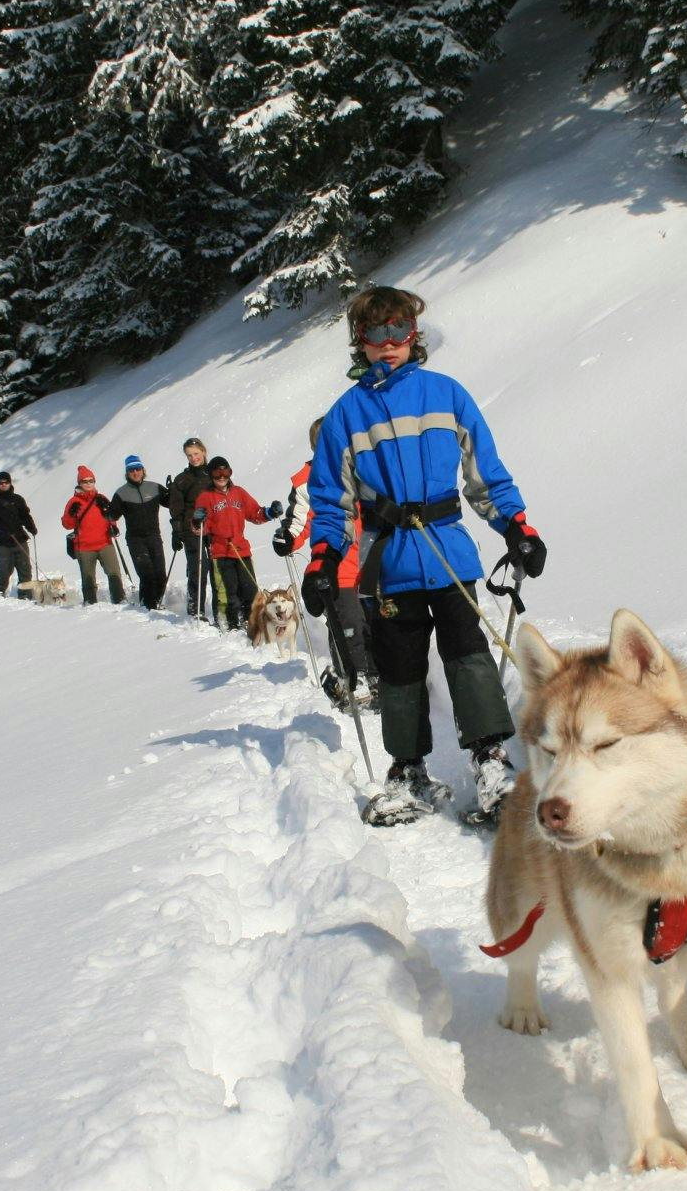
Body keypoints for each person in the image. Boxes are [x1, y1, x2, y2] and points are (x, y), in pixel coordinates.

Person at [306, 286, 547, 827]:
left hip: (448, 554)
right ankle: (408, 770)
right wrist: (324, 561)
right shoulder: (346, 416)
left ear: (413, 336)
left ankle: (491, 763)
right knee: (399, 670)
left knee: (469, 657)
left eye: (400, 331)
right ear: (359, 342)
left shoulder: (447, 394)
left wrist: (516, 527)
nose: (389, 343)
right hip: (387, 563)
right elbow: (331, 501)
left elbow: (485, 474)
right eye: (376, 334)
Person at [275, 418, 377, 710]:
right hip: (338, 566)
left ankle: (377, 676)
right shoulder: (307, 481)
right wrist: (287, 538)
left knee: (375, 623)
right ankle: (350, 677)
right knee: (349, 625)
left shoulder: (360, 469)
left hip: (370, 563)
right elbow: (300, 520)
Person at [194, 458, 281, 630]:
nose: (221, 477)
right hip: (220, 551)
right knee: (228, 592)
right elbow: (199, 529)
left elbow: (254, 513)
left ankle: (252, 621)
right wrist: (198, 521)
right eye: (217, 474)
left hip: (241, 549)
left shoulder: (238, 493)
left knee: (249, 589)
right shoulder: (206, 497)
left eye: (225, 473)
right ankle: (228, 623)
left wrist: (270, 512)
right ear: (210, 475)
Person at [109, 454, 168, 609]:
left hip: (154, 536)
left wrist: (174, 489)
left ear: (143, 470)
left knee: (161, 574)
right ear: (127, 473)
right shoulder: (121, 493)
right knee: (147, 574)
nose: (135, 472)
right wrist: (110, 520)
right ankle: (148, 605)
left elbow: (170, 502)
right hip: (135, 539)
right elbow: (112, 515)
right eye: (131, 470)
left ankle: (157, 602)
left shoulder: (154, 487)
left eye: (137, 469)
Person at [62, 465, 126, 605]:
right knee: (88, 578)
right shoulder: (73, 502)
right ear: (79, 483)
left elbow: (111, 516)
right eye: (85, 481)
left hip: (105, 543)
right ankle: (90, 603)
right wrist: (71, 515)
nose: (89, 483)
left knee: (114, 574)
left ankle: (119, 601)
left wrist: (113, 527)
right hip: (84, 547)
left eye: (91, 480)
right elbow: (67, 524)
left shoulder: (101, 498)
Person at [166, 437, 213, 620]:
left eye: (196, 453)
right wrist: (177, 531)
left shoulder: (214, 474)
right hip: (191, 528)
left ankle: (221, 609)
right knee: (199, 567)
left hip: (214, 526)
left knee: (218, 567)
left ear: (203, 451)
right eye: (189, 455)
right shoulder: (182, 479)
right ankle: (195, 609)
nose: (193, 458)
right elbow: (176, 509)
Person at [0, 470, 38, 595]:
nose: (3, 484)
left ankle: (25, 595)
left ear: (10, 483)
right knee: (4, 570)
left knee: (25, 569)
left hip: (20, 539)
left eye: (6, 482)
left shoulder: (18, 499)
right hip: (2, 541)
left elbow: (25, 516)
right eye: (1, 483)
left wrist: (31, 528)